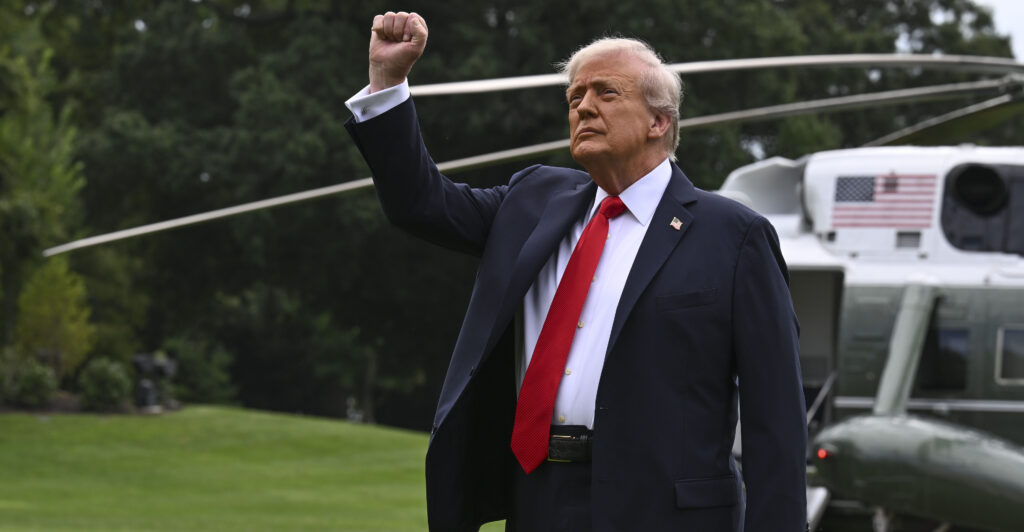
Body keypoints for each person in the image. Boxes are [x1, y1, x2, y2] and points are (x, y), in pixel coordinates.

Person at [345, 11, 807, 532]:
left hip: (665, 513)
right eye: (574, 98)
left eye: (606, 93)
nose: (583, 106)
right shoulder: (532, 200)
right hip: (537, 497)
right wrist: (388, 84)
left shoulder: (735, 236)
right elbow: (420, 203)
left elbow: (777, 423)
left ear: (660, 122)